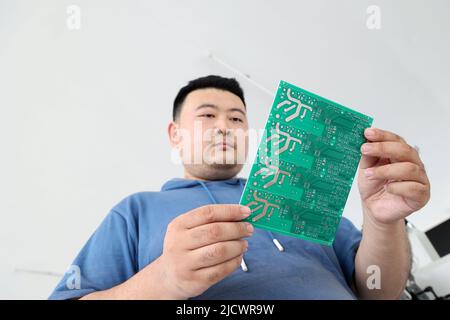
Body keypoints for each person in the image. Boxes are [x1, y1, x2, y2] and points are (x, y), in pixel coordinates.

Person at [49, 75, 430, 300]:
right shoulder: (134, 211)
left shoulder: (298, 195)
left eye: (236, 118)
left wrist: (382, 223)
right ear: (175, 135)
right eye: (207, 116)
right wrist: (163, 279)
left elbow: (379, 291)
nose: (224, 126)